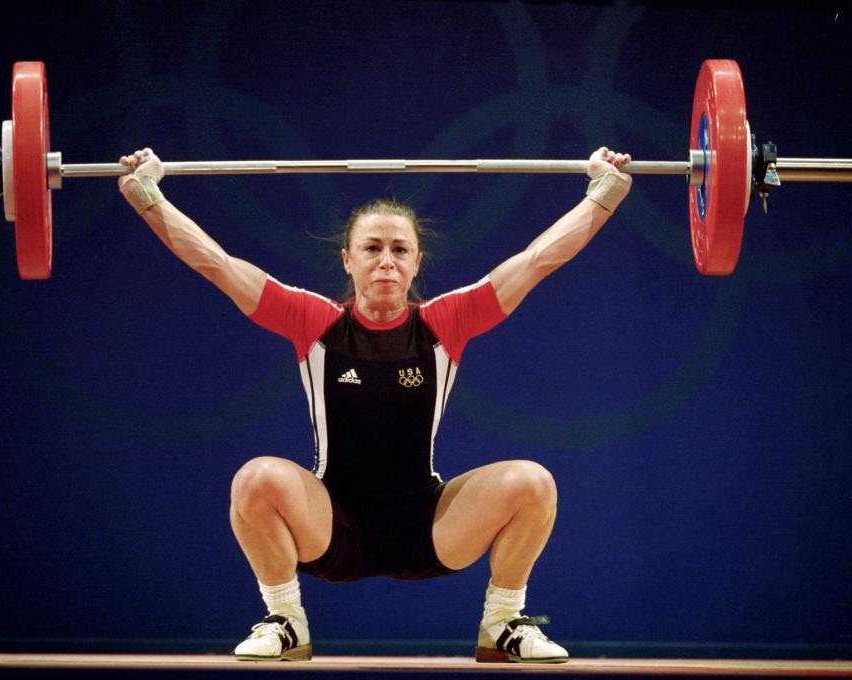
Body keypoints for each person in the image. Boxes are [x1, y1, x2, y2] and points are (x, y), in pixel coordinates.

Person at [118, 146, 632, 664]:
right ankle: (286, 620)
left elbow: (539, 260)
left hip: (426, 525)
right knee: (255, 479)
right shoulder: (314, 322)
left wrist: (603, 193)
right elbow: (217, 265)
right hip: (330, 523)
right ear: (348, 258)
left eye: (399, 249)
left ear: (416, 262)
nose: (386, 260)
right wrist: (148, 195)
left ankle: (503, 622)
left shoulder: (445, 323)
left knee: (533, 483)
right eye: (372, 248)